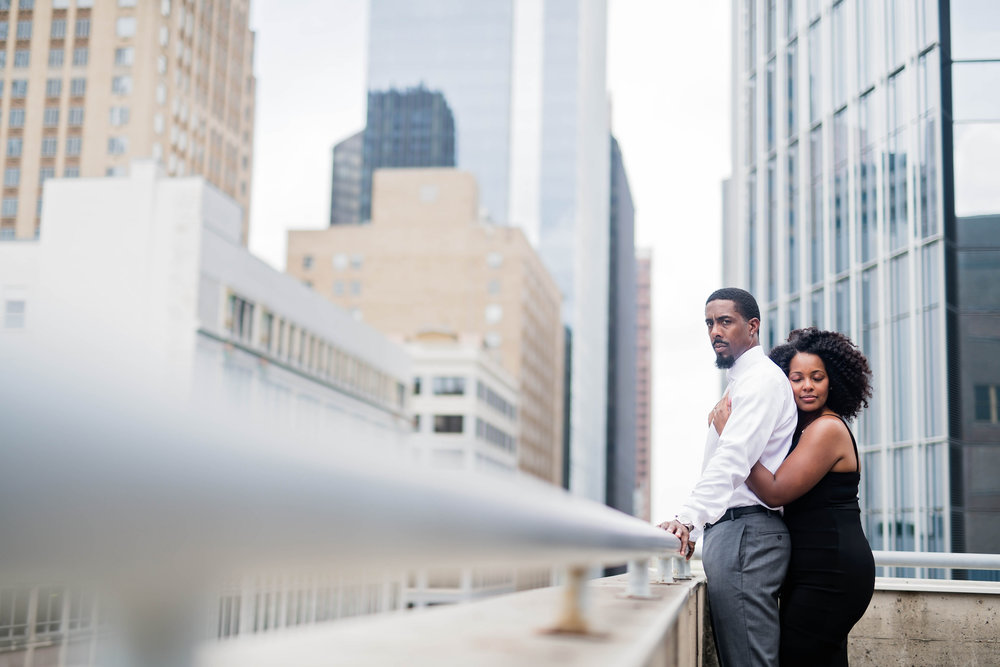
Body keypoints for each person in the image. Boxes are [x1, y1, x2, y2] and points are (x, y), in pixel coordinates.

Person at [713, 327, 876, 666]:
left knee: (798, 658)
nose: (806, 386)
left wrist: (733, 438)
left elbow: (773, 492)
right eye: (796, 378)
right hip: (814, 566)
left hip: (832, 569)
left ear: (834, 382)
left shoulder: (826, 429)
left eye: (817, 378)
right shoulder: (803, 429)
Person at [660, 288, 797, 666]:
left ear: (752, 327)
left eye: (725, 321)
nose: (715, 331)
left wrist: (688, 520)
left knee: (750, 660)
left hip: (746, 535)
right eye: (709, 323)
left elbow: (734, 459)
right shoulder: (742, 382)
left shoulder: (761, 382)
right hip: (735, 534)